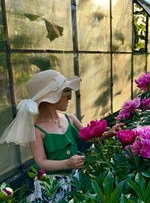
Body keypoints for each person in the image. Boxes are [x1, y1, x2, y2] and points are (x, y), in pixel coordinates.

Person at [0, 69, 124, 202]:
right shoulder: (37, 130)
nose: (70, 98)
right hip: (52, 184)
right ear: (52, 98)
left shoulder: (69, 118)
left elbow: (89, 136)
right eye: (67, 94)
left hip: (74, 178)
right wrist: (66, 163)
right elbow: (41, 162)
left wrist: (108, 134)